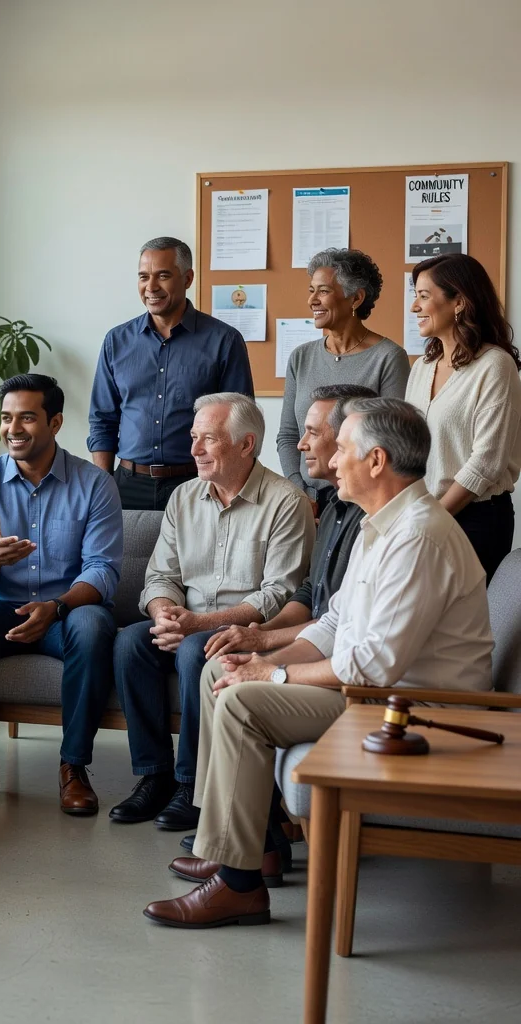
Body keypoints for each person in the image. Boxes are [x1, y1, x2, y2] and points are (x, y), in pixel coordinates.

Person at [143, 398, 494, 929]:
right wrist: (259, 657)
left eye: (344, 450)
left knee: (241, 702)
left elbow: (371, 664)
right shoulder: (379, 525)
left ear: (376, 461)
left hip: (412, 713)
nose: (331, 462)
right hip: (377, 695)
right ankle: (246, 849)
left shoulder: (418, 535)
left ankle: (239, 889)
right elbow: (333, 626)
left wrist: (272, 674)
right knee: (222, 671)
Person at [110, 393, 314, 829]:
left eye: (209, 439)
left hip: (244, 630)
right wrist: (166, 613)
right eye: (193, 437)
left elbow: (279, 594)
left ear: (246, 444)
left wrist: (198, 625)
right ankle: (154, 776)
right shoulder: (183, 498)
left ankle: (191, 785)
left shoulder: (285, 501)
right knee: (130, 641)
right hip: (188, 620)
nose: (195, 449)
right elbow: (160, 576)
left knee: (194, 650)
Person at [0, 374, 123, 815]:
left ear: (55, 422)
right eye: (5, 418)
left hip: (67, 612)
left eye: (27, 418)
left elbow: (103, 570)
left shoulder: (95, 484)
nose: (13, 429)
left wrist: (55, 607)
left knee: (94, 626)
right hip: (2, 609)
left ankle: (73, 766)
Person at [203, 384, 375, 661]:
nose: (300, 443)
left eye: (314, 432)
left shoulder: (375, 519)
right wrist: (260, 632)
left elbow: (346, 625)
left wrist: (265, 642)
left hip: (338, 656)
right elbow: (310, 591)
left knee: (221, 669)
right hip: (317, 643)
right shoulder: (332, 507)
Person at [87, 236, 254, 511]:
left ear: (187, 278)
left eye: (163, 276)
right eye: (143, 277)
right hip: (127, 486)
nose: (150, 287)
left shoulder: (224, 340)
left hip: (199, 483)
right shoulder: (116, 341)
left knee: (194, 557)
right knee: (126, 556)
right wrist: (104, 483)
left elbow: (240, 423)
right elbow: (102, 419)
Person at [406, 253, 521, 580]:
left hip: (475, 522)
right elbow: (407, 447)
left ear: (459, 302)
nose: (414, 307)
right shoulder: (421, 367)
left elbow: (487, 462)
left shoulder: (495, 366)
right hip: (422, 516)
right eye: (415, 296)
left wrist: (431, 519)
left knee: (458, 627)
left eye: (424, 296)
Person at [277, 248, 410, 509]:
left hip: (362, 501)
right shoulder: (300, 357)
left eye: (323, 291)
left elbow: (393, 442)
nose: (312, 300)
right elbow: (289, 434)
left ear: (356, 298)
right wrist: (298, 491)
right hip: (306, 500)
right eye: (311, 290)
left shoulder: (389, 357)